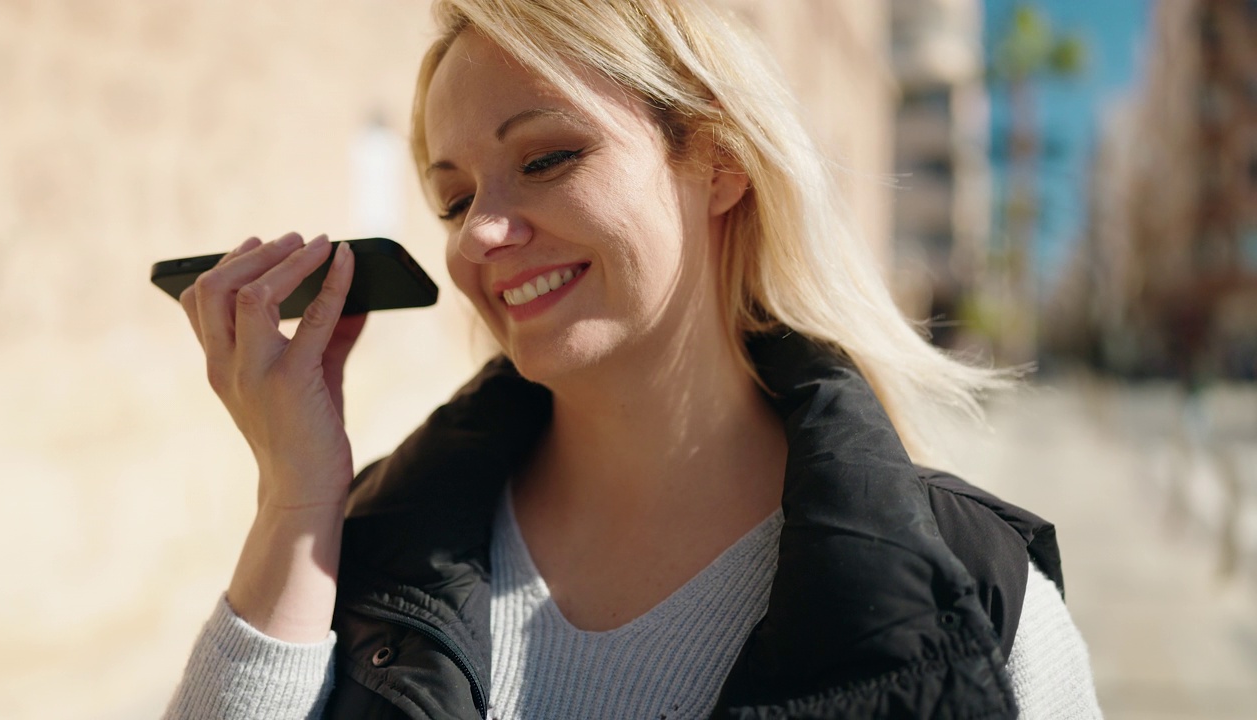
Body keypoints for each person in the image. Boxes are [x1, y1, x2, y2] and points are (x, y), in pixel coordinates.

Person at [163, 1, 1101, 718]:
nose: (479, 235)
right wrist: (296, 502)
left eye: (547, 158)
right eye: (452, 201)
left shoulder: (973, 593)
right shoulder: (363, 543)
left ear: (720, 162)